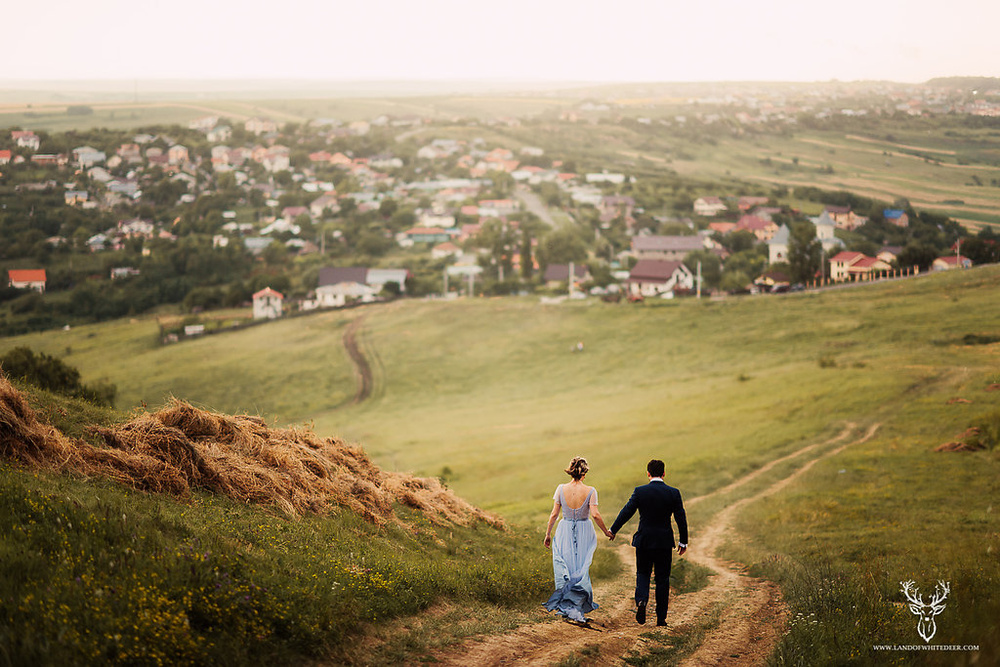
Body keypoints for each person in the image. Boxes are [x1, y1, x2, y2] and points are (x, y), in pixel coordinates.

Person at [609, 459, 688, 627]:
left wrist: (613, 530)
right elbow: (681, 518)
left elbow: (626, 512)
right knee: (662, 579)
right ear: (664, 473)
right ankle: (661, 618)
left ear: (648, 473)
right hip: (664, 542)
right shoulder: (673, 493)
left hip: (644, 541)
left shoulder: (640, 491)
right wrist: (683, 541)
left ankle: (641, 601)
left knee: (643, 574)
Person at [543, 456, 614, 623]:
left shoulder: (560, 489)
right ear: (585, 472)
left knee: (565, 565)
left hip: (564, 528)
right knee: (581, 567)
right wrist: (605, 532)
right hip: (584, 529)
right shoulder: (591, 490)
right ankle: (577, 605)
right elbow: (595, 514)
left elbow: (554, 514)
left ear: (570, 471)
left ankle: (566, 605)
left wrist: (548, 533)